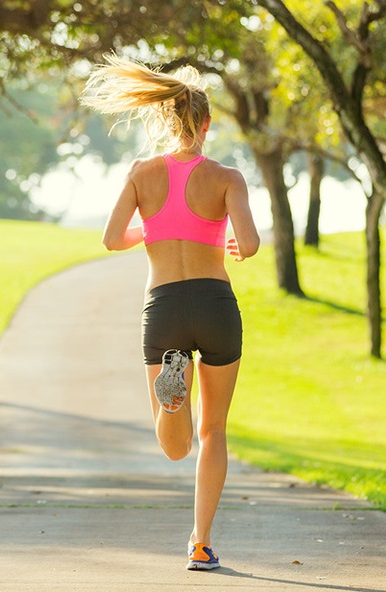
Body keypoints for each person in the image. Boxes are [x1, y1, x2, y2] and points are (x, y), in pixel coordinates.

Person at [80, 55, 260, 571]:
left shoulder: (141, 174)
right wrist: (232, 244)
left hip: (163, 308)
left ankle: (170, 399)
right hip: (216, 304)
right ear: (206, 124)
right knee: (214, 431)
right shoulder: (228, 178)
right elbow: (248, 243)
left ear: (163, 119)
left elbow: (113, 239)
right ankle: (200, 542)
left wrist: (152, 230)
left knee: (175, 445)